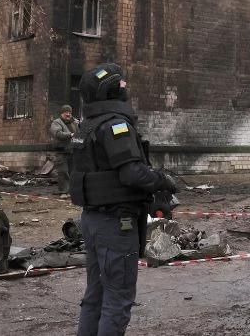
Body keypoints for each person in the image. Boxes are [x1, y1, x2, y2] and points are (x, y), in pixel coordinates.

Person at [70, 63, 174, 336]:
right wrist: (163, 181)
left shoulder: (87, 126)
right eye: (123, 85)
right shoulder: (116, 125)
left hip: (93, 221)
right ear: (113, 90)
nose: (126, 89)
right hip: (116, 224)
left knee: (96, 296)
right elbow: (131, 173)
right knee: (118, 300)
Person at [50, 104, 79, 195]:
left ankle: (73, 191)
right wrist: (70, 135)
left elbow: (80, 134)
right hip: (61, 151)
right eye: (66, 112)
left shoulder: (75, 122)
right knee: (63, 172)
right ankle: (64, 191)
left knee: (73, 172)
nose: (68, 114)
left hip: (73, 151)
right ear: (62, 113)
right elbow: (58, 134)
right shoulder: (56, 122)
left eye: (69, 112)